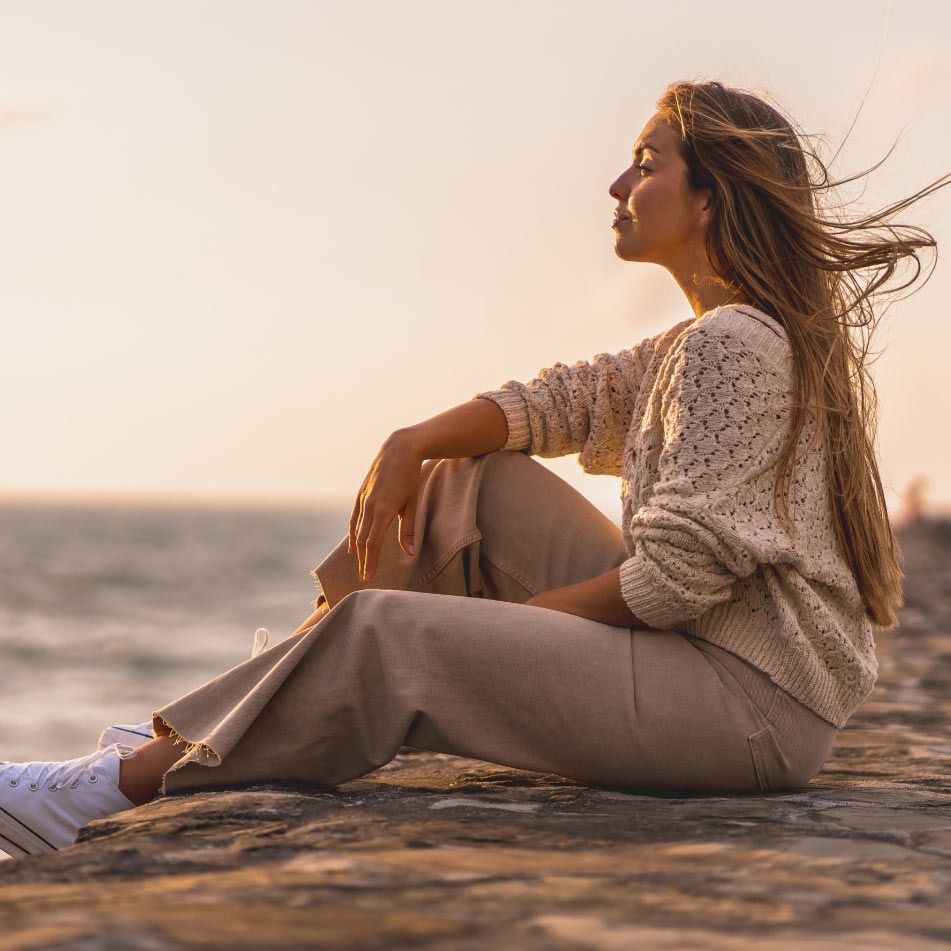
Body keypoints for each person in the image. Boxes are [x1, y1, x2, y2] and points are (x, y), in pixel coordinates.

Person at [2, 79, 948, 859]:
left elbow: (674, 581)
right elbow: (565, 399)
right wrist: (414, 441)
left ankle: (109, 792)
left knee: (393, 635)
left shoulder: (734, 345)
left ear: (710, 201)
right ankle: (246, 708)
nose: (618, 182)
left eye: (648, 164)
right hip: (725, 672)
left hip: (746, 711)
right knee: (469, 476)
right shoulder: (701, 342)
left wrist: (507, 628)